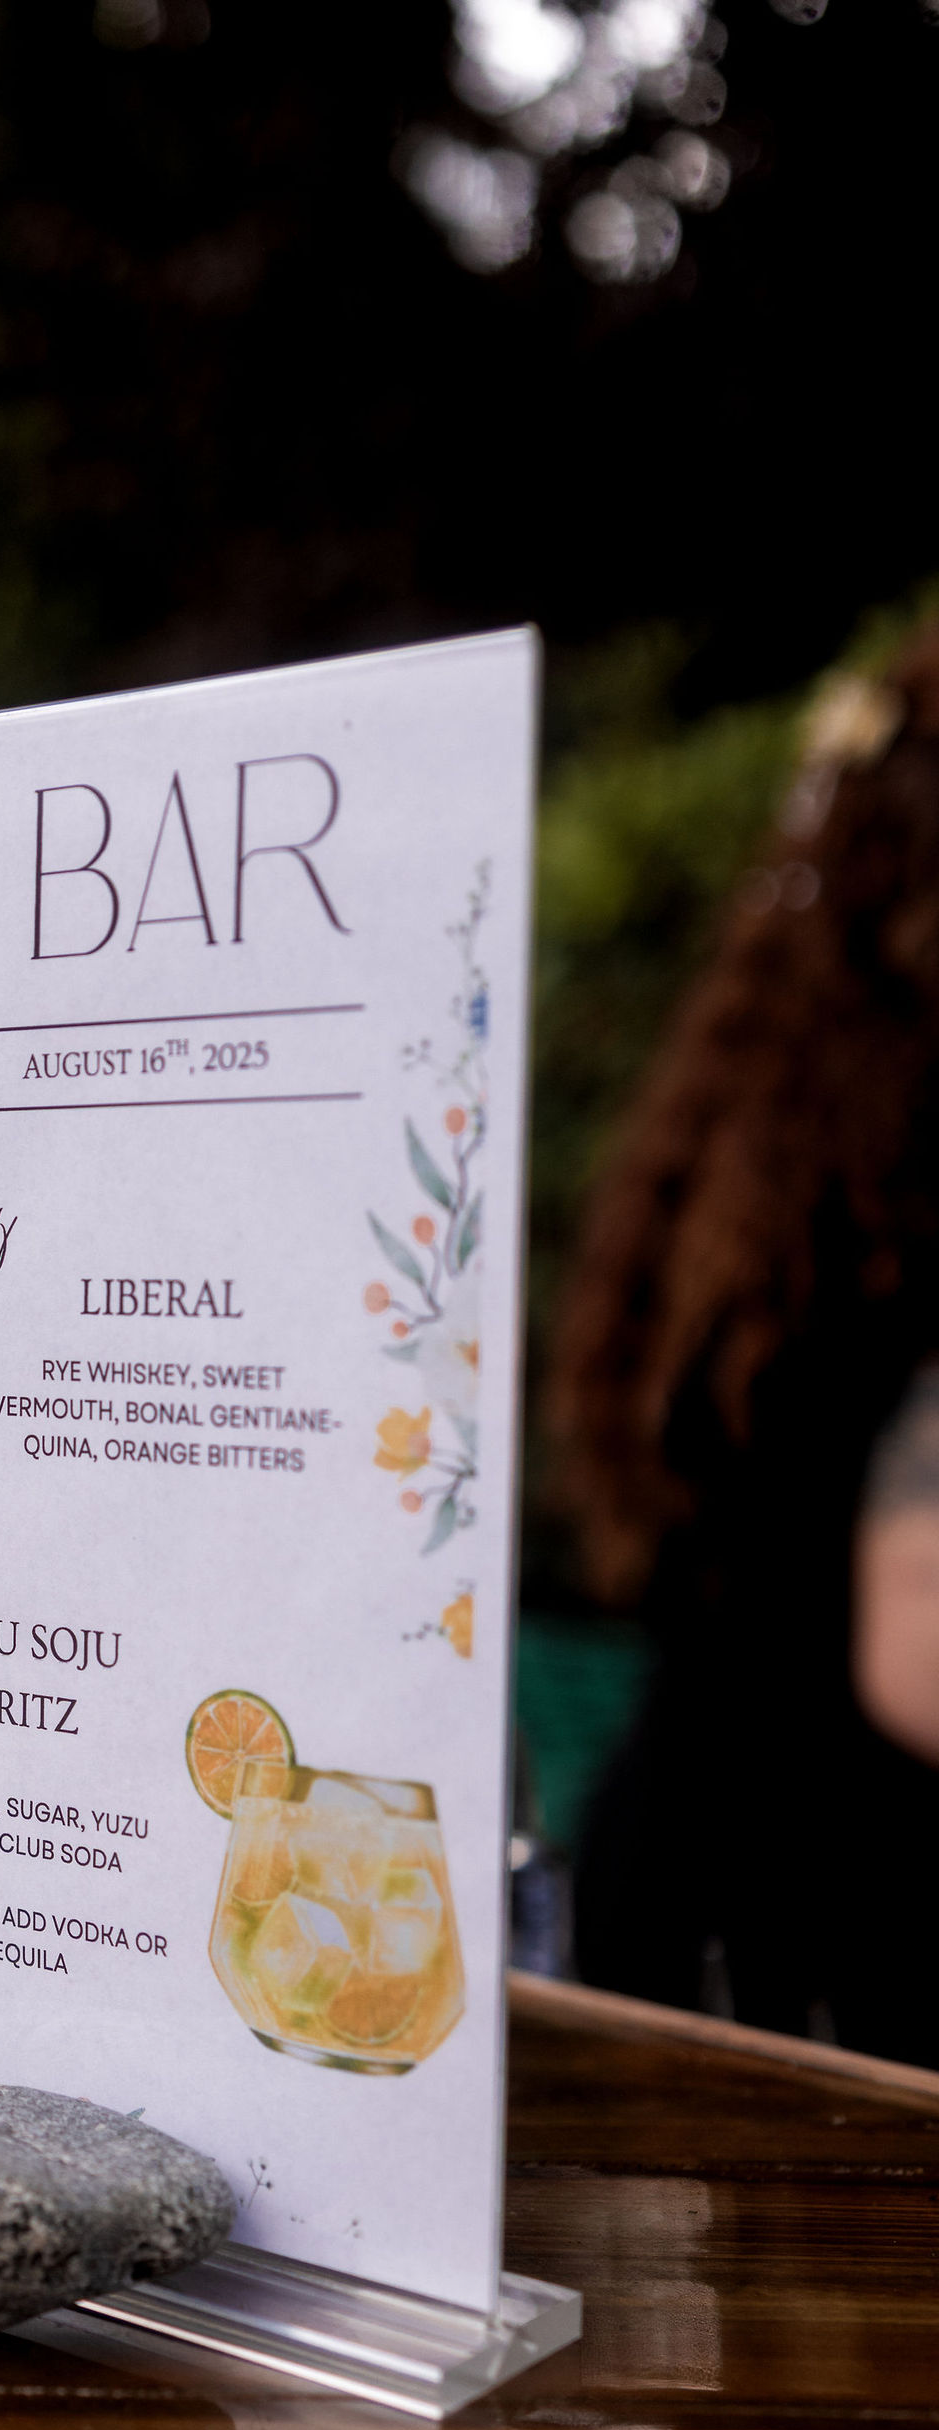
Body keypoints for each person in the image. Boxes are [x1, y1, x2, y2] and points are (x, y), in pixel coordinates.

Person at [552, 632, 939, 2060]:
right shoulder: (905, 1188)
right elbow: (923, 1653)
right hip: (840, 1967)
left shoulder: (757, 1158)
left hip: (677, 1893)